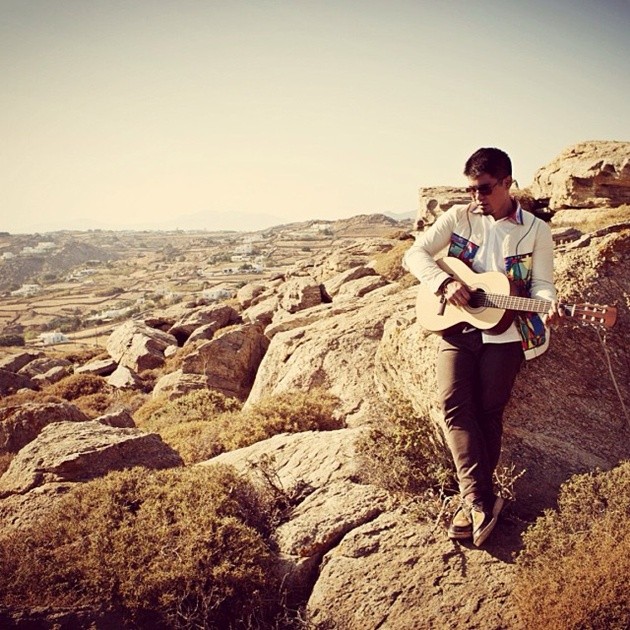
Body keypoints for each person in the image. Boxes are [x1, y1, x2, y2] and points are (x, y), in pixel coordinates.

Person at [403, 147, 561, 547]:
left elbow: (542, 285)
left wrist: (548, 305)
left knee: (489, 412)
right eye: (471, 190)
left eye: (485, 189)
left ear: (508, 182)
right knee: (454, 406)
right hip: (456, 327)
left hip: (506, 333)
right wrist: (444, 283)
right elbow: (414, 253)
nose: (477, 198)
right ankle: (480, 500)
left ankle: (473, 502)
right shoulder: (458, 217)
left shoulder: (536, 230)